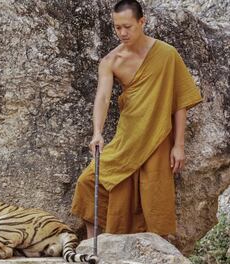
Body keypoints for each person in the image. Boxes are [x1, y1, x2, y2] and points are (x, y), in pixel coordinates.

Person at [71, 0, 203, 239]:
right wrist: (97, 133)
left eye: (127, 26)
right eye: (117, 27)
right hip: (127, 137)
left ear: (142, 22)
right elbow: (102, 97)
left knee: (153, 197)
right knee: (88, 182)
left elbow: (180, 102)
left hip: (158, 138)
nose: (122, 33)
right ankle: (91, 246)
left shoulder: (166, 54)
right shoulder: (111, 61)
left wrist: (179, 145)